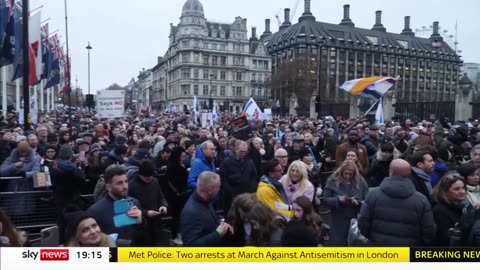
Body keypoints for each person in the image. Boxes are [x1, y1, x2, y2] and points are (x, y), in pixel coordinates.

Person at [358, 159, 436, 246]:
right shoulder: (421, 200)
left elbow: (363, 222)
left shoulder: (373, 194)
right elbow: (429, 229)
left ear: (390, 171)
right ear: (409, 173)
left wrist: (373, 238)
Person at [88, 165, 144, 246]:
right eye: (119, 183)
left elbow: (144, 235)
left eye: (126, 181)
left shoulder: (135, 203)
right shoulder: (95, 211)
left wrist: (141, 223)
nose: (125, 186)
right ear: (108, 187)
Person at [180, 171, 233, 246]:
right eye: (218, 187)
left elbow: (208, 220)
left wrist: (222, 223)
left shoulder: (206, 200)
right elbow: (191, 245)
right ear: (210, 190)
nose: (219, 190)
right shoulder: (191, 212)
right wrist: (218, 234)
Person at [323, 160, 369, 246]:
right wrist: (338, 200)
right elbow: (325, 200)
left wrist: (358, 203)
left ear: (354, 173)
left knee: (355, 243)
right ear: (341, 172)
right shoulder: (332, 181)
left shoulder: (361, 182)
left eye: (350, 174)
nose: (347, 176)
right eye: (345, 174)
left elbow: (368, 201)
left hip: (355, 217)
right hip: (338, 218)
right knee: (339, 243)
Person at [128, 160, 169, 246]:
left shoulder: (154, 181)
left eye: (151, 176)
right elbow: (130, 208)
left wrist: (163, 205)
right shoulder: (131, 186)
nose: (149, 179)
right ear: (140, 174)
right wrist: (146, 212)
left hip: (156, 222)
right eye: (146, 177)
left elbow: (160, 196)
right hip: (142, 224)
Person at [219, 140, 258, 214]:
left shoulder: (250, 162)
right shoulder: (226, 162)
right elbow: (223, 179)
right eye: (241, 151)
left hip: (247, 195)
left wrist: (252, 189)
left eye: (245, 152)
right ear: (236, 150)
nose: (243, 154)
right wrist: (230, 191)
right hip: (231, 196)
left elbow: (254, 176)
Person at [432, 173, 468, 246]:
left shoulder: (463, 207)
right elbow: (445, 239)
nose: (462, 191)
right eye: (456, 189)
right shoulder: (440, 211)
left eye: (463, 188)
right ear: (445, 191)